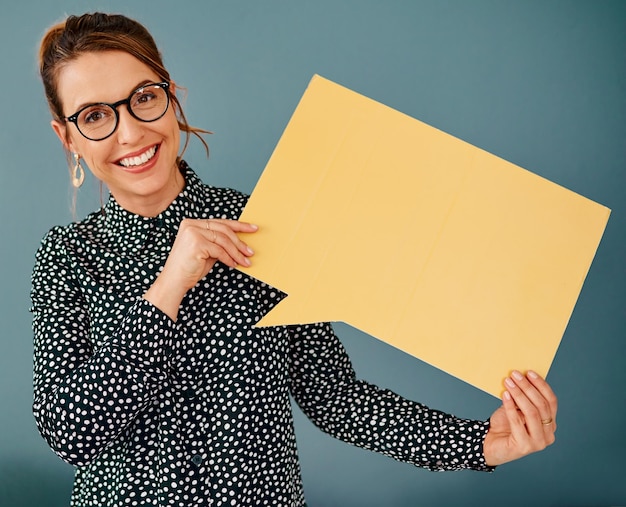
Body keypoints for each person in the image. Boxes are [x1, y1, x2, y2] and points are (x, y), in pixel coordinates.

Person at [31, 12, 557, 507]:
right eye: (95, 115)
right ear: (67, 138)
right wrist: (170, 285)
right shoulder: (67, 258)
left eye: (143, 97)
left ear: (171, 98)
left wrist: (480, 444)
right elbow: (70, 434)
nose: (130, 133)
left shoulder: (263, 225)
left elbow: (334, 397)